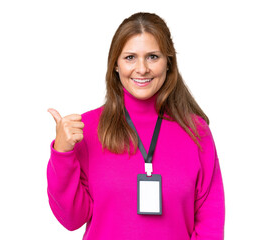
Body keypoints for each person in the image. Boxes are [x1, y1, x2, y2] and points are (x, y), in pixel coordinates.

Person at [46, 12, 225, 240]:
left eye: (152, 57)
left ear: (168, 62)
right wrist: (62, 153)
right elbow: (71, 219)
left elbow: (210, 222)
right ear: (116, 65)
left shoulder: (196, 131)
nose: (141, 69)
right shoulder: (87, 129)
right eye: (130, 57)